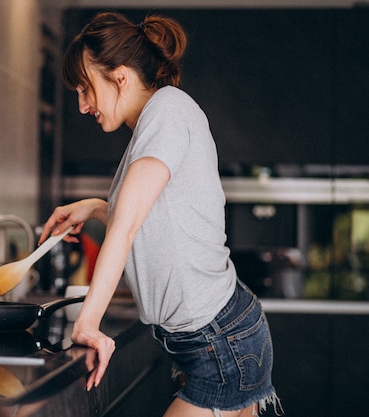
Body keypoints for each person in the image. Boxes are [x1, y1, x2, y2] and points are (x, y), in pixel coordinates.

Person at [38, 11, 282, 417]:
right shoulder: (158, 121)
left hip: (220, 342)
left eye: (85, 89)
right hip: (219, 336)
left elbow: (130, 224)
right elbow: (155, 215)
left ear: (119, 77)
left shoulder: (167, 112)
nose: (82, 106)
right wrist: (97, 208)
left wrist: (89, 323)